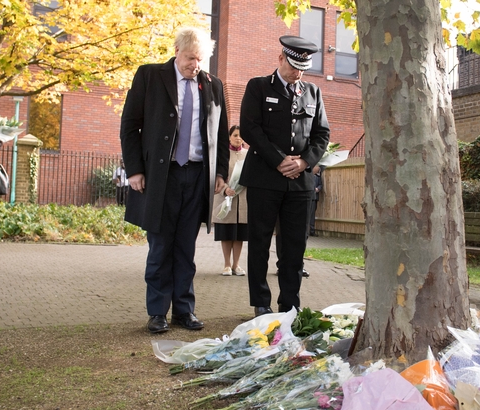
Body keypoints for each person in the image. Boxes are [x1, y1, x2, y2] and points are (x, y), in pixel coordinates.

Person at [120, 27, 229, 334]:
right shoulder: (149, 76)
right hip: (161, 176)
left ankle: (184, 310)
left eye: (201, 59)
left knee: (185, 248)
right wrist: (135, 170)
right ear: (177, 50)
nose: (196, 65)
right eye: (191, 58)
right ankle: (157, 312)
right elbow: (130, 126)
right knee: (160, 246)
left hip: (197, 176)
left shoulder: (213, 85)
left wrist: (220, 173)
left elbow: (220, 134)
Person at [239, 36, 330, 317]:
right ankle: (261, 303)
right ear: (281, 59)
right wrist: (279, 160)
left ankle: (290, 304)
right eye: (293, 67)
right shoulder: (258, 86)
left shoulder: (313, 92)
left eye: (303, 69)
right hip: (264, 179)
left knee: (294, 247)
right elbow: (250, 128)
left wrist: (304, 161)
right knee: (260, 243)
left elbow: (322, 134)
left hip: (300, 183)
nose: (297, 73)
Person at [213, 125, 248, 277]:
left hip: (242, 199)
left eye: (240, 136)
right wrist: (225, 189)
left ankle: (236, 265)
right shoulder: (222, 155)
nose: (238, 138)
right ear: (229, 137)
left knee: (239, 235)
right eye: (235, 135)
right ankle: (227, 265)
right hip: (225, 198)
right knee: (226, 233)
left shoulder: (248, 155)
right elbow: (217, 175)